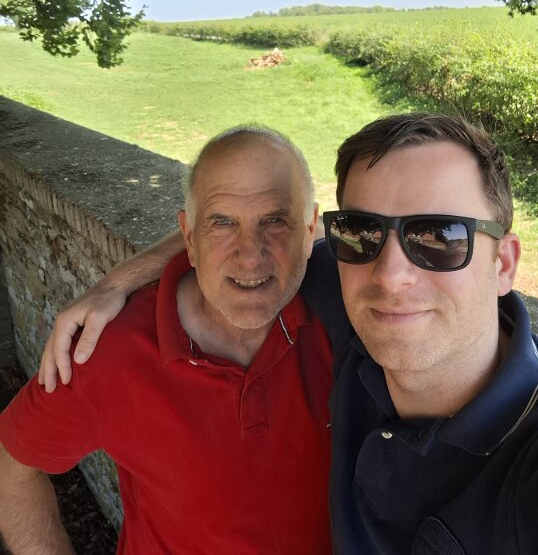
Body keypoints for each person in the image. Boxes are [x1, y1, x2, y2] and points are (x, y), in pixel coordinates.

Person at [23, 114, 538, 553]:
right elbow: (238, 230)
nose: (393, 275)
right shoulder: (339, 289)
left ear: (504, 264)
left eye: (440, 235)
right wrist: (116, 283)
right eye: (362, 231)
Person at [0, 127, 334, 555]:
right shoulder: (111, 352)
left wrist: (122, 276)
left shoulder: (345, 314)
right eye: (222, 223)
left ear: (308, 231)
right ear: (189, 239)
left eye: (274, 221)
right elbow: (14, 464)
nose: (251, 255)